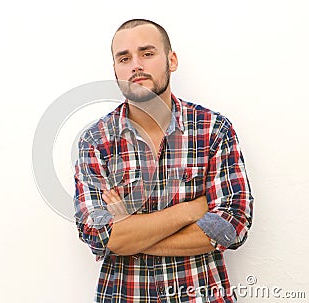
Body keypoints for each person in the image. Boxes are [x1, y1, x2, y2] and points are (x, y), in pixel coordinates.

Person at [74, 18, 254, 303]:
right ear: (115, 70)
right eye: (124, 58)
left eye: (147, 53)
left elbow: (232, 226)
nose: (136, 65)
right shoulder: (95, 142)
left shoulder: (213, 130)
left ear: (172, 60)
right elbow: (100, 236)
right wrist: (190, 211)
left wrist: (129, 234)